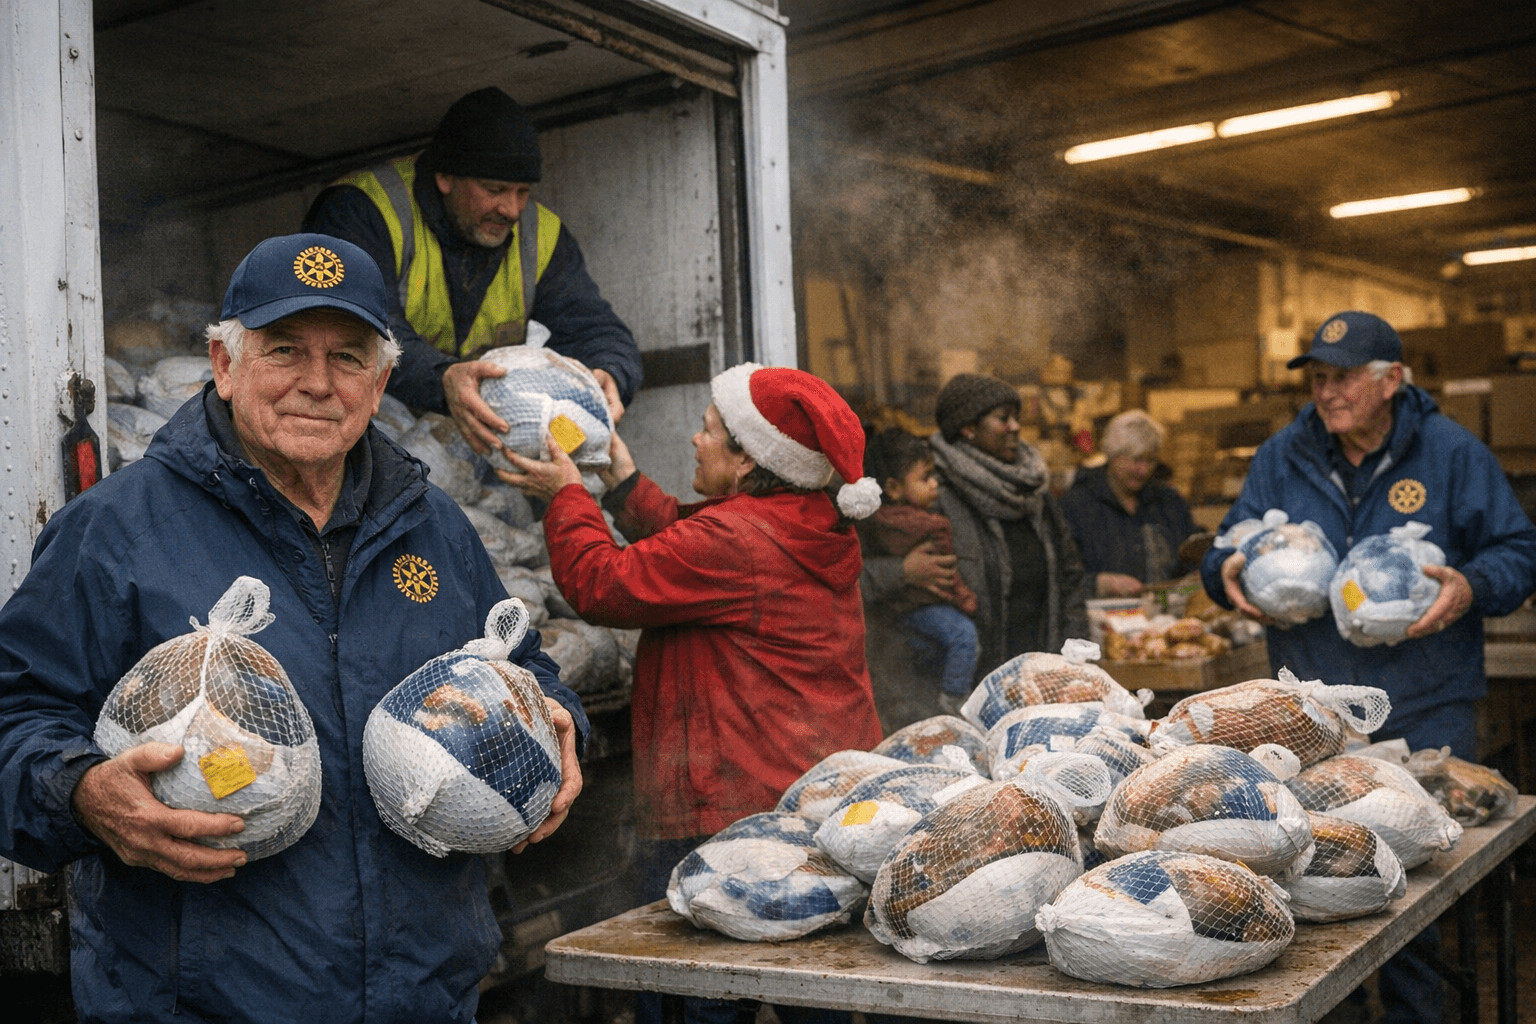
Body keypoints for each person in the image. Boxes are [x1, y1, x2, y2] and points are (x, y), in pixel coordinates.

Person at [0, 233, 587, 1023]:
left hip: (423, 996)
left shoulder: (434, 526)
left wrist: (557, 720)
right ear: (224, 364)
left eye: (347, 357)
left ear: (380, 384)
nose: (317, 383)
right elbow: (13, 715)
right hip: (207, 1005)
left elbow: (523, 667)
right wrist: (80, 793)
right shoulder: (116, 529)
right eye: (284, 350)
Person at [502, 363, 885, 1024]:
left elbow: (601, 582)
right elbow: (686, 535)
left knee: (698, 997)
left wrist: (568, 496)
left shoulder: (732, 541)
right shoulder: (803, 520)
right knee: (813, 987)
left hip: (728, 821)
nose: (694, 440)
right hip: (809, 805)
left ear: (747, 460)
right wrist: (622, 481)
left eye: (708, 431)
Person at [1200, 310, 1536, 1024]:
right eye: (1319, 377)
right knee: (1321, 882)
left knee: (1425, 892)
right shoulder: (1283, 456)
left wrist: (1471, 585)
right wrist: (1224, 567)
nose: (1327, 392)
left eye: (1344, 377)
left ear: (1392, 381)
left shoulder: (1451, 453)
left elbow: (1517, 551)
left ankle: (1422, 1013)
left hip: (1426, 708)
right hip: (1315, 720)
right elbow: (1227, 543)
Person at [303, 85, 642, 456]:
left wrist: (608, 371)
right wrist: (442, 379)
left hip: (474, 432)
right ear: (445, 177)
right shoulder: (362, 211)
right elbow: (354, 327)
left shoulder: (541, 235)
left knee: (576, 462)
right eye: (495, 189)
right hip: (365, 423)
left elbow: (595, 329)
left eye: (523, 191)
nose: (512, 210)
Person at [867, 374, 1089, 682]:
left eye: (1016, 417)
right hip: (961, 684)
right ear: (968, 428)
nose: (1015, 427)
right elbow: (860, 575)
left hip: (1040, 677)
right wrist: (902, 571)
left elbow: (1070, 578)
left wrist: (1074, 660)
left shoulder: (1035, 493)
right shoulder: (930, 492)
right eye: (1003, 418)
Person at [860, 427, 980, 711]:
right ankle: (955, 701)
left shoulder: (873, 519)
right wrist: (965, 598)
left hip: (898, 624)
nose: (935, 484)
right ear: (893, 488)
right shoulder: (930, 524)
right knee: (964, 636)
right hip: (913, 617)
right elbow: (949, 572)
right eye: (925, 478)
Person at [1059, 409, 1199, 597]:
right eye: (1136, 459)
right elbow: (1058, 578)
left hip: (1167, 611)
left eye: (1151, 461)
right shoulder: (1076, 507)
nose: (1143, 470)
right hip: (1100, 612)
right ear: (1113, 454)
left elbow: (1192, 562)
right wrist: (1099, 584)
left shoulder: (1170, 502)